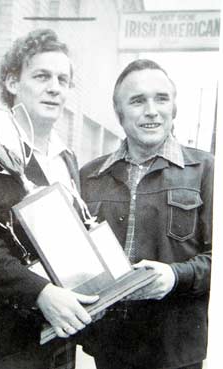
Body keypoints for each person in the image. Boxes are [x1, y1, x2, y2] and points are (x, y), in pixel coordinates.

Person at [0, 29, 98, 369]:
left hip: (58, 340)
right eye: (42, 76)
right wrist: (40, 292)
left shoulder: (65, 156)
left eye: (63, 79)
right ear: (13, 82)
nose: (55, 87)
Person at [79, 59, 213, 369]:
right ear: (120, 114)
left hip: (177, 349)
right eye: (137, 101)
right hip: (110, 347)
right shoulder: (89, 176)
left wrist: (176, 275)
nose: (151, 110)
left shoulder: (207, 171)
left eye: (161, 98)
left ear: (174, 108)